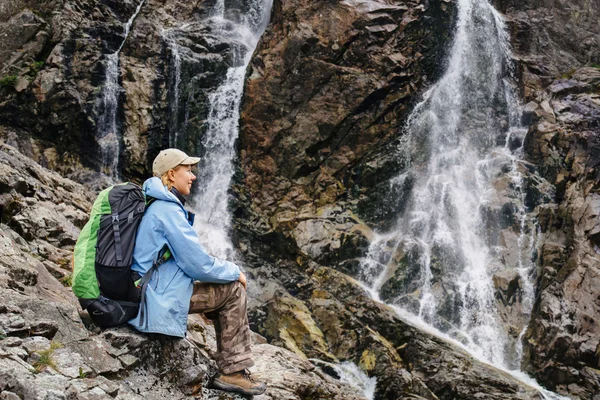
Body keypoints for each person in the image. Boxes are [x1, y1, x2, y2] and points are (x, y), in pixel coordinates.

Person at [128, 148, 266, 396]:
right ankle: (233, 372)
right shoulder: (167, 210)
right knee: (233, 290)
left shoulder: (158, 204)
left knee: (224, 290)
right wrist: (236, 271)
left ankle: (230, 364)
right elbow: (197, 264)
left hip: (150, 290)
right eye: (188, 171)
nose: (193, 177)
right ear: (171, 175)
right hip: (154, 299)